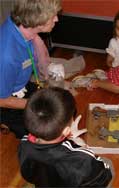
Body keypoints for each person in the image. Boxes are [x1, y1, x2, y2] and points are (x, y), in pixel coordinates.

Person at [18, 87, 113, 187]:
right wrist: (81, 147)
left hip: (45, 182)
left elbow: (27, 175)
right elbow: (105, 176)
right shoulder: (82, 159)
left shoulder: (24, 144)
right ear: (67, 131)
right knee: (108, 164)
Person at [0, 0, 61, 138]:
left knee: (62, 109)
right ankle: (5, 121)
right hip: (5, 102)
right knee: (48, 129)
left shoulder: (22, 27)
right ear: (38, 20)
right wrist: (36, 104)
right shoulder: (7, 56)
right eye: (53, 16)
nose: (56, 19)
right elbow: (2, 99)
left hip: (20, 86)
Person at [72, 8, 119, 98]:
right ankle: (96, 82)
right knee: (118, 89)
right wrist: (115, 62)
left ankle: (106, 79)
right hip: (118, 72)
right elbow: (108, 62)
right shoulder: (114, 42)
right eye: (118, 28)